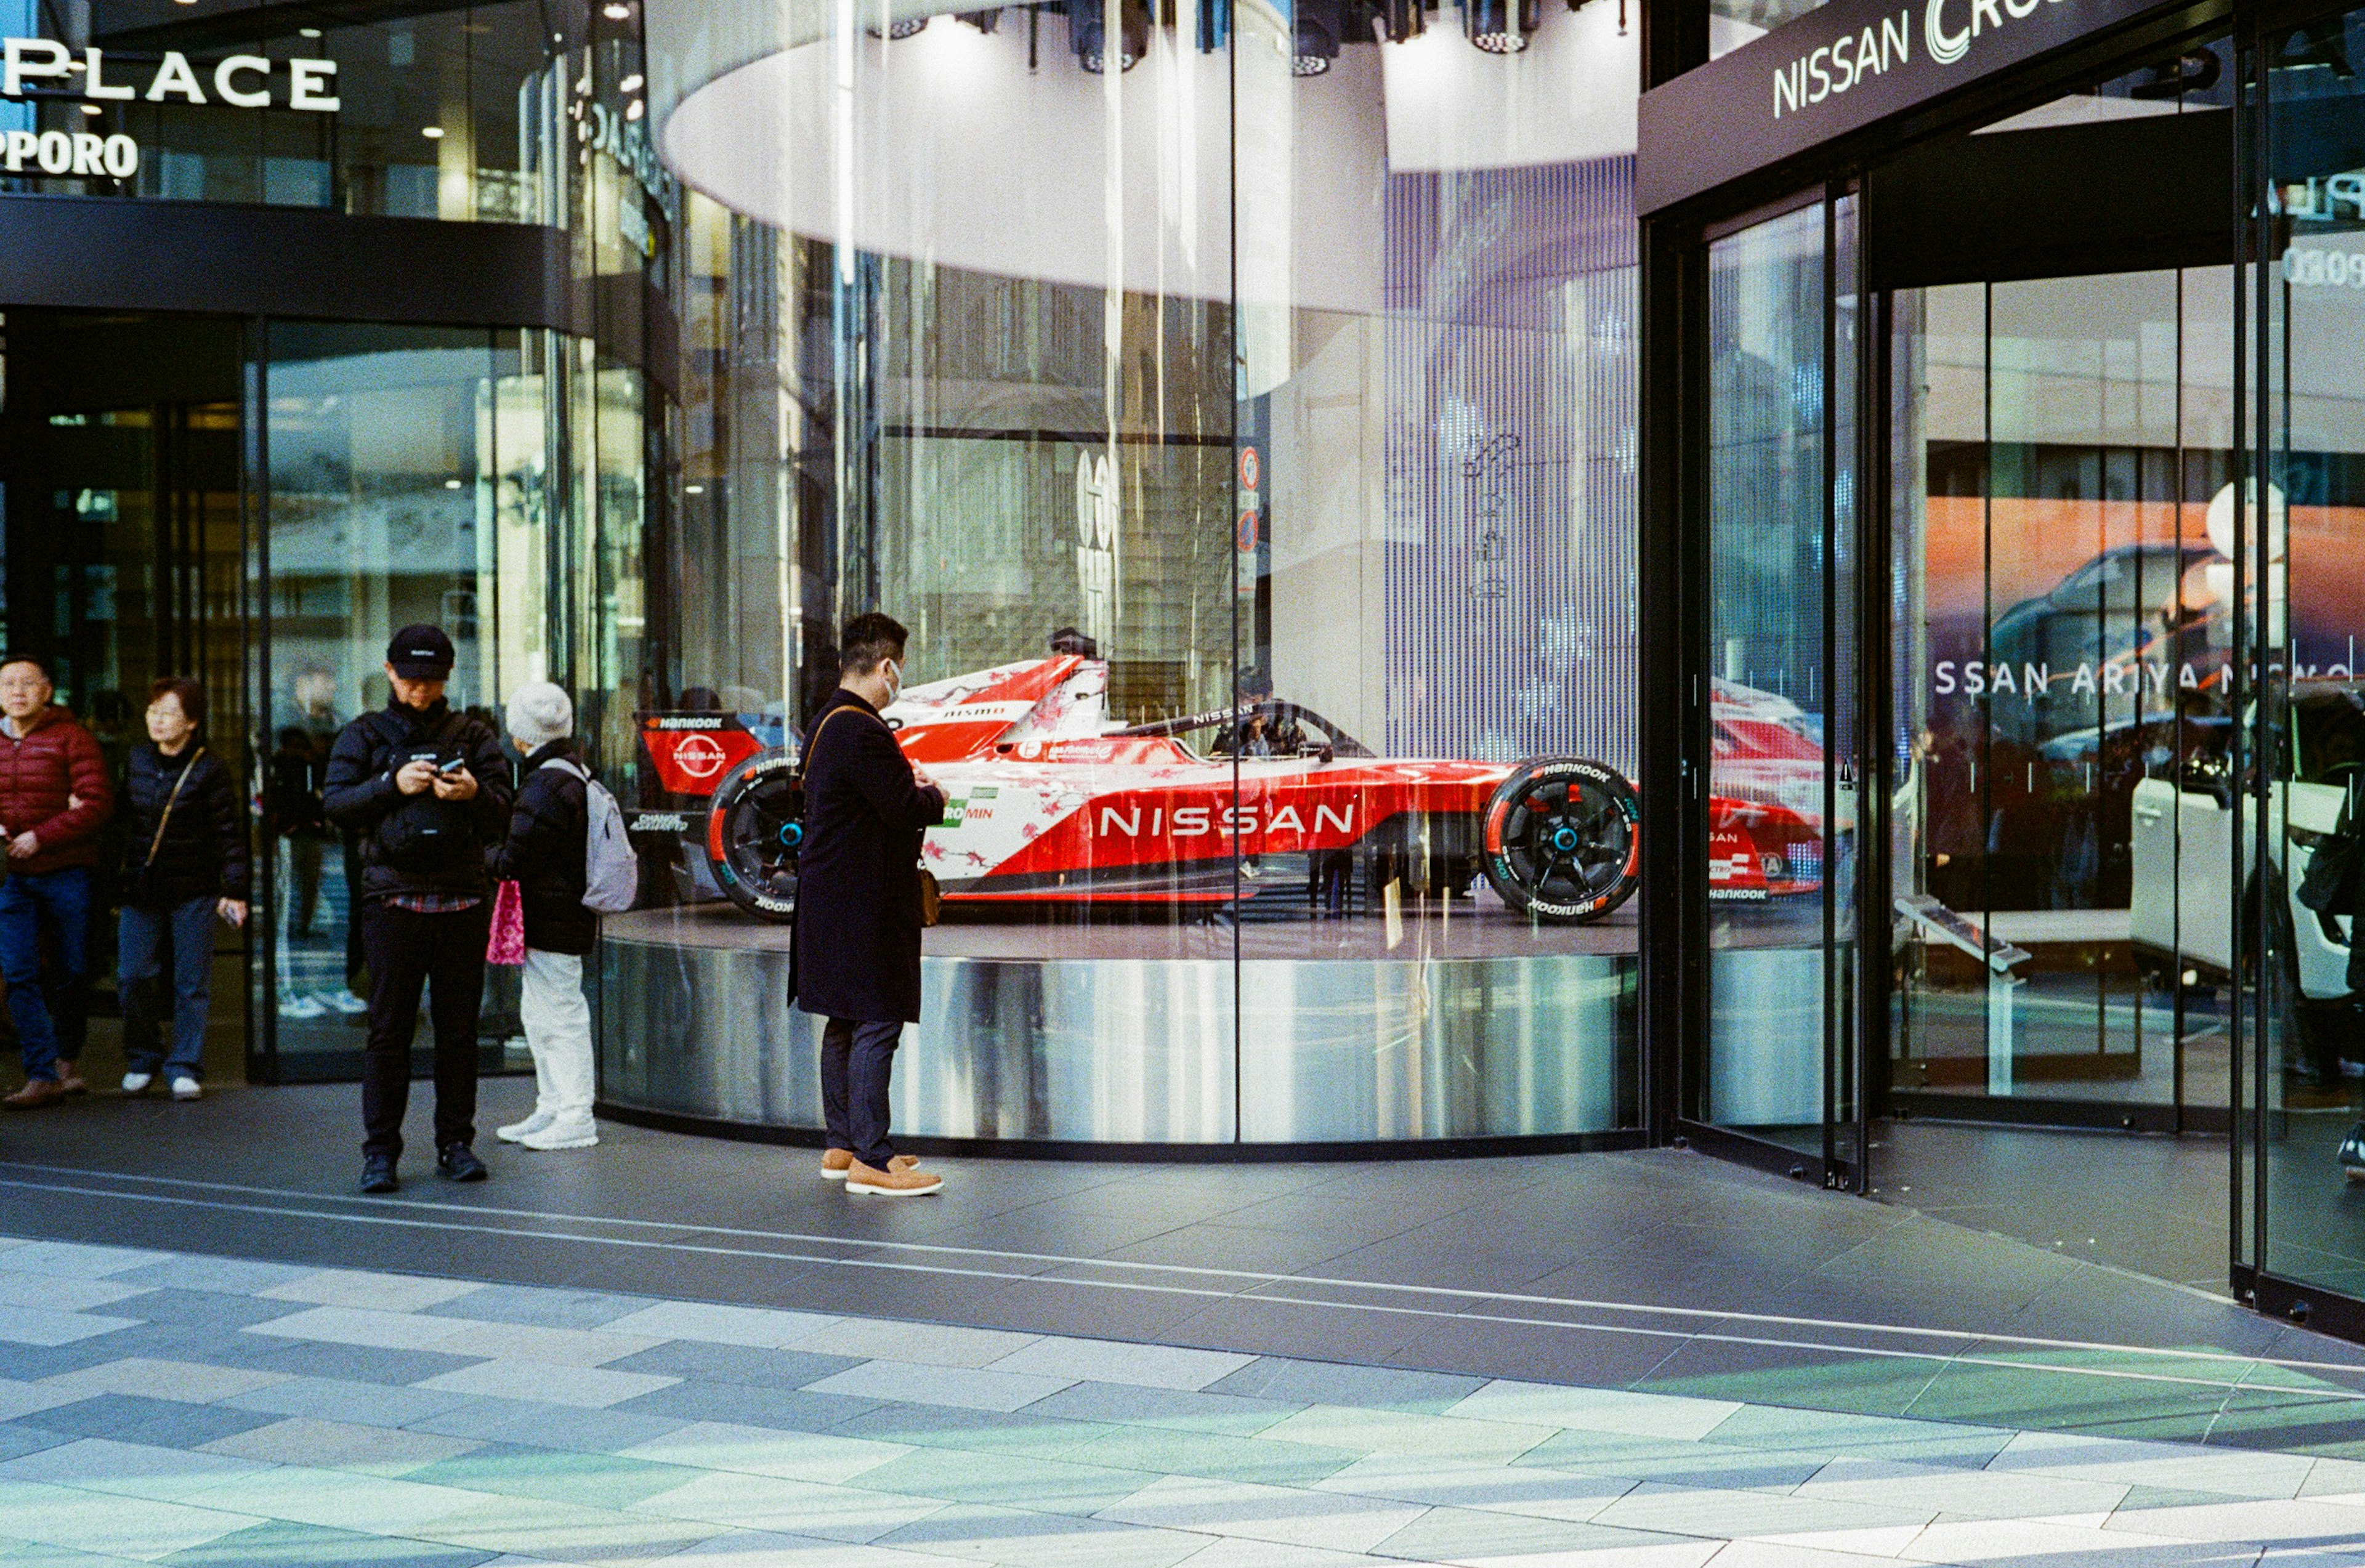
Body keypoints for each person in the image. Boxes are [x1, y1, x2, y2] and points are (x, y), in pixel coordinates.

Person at [322, 626, 512, 1194]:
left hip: (461, 898)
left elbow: (506, 813)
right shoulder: (362, 735)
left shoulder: (475, 736)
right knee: (389, 1032)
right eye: (409, 680)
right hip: (393, 901)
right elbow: (336, 806)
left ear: (448, 678)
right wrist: (391, 784)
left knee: (458, 1032)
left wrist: (473, 794)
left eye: (431, 681)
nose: (420, 692)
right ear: (388, 673)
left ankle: (457, 1144)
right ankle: (380, 1153)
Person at [794, 612, 947, 1197]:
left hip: (830, 900)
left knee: (845, 1019)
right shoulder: (862, 728)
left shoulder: (826, 722)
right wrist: (936, 795)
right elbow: (904, 808)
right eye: (900, 670)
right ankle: (874, 1161)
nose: (899, 681)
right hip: (865, 902)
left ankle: (844, 1144)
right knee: (878, 1019)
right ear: (886, 667)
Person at [116, 679, 249, 1101]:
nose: (158, 720)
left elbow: (230, 834)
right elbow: (121, 823)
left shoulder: (211, 769)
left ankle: (184, 1066)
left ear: (192, 722)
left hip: (194, 887)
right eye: (153, 711)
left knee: (191, 982)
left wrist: (235, 889)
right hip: (143, 888)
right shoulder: (135, 760)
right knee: (132, 976)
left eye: (169, 712)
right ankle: (143, 1056)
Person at [489, 681, 599, 1152]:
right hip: (559, 915)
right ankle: (552, 1105)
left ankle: (575, 1115)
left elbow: (513, 859)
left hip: (553, 917)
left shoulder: (543, 785)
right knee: (542, 1011)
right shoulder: (572, 773)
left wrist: (479, 851)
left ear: (520, 737)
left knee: (559, 1014)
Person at [0, 654, 112, 1109]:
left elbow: (96, 803)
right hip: (11, 876)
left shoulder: (73, 738)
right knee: (19, 973)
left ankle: (68, 1058)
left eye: (28, 683)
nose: (17, 692)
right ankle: (41, 1072)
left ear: (48, 690)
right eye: (8, 684)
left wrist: (42, 837)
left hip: (67, 870)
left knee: (73, 970)